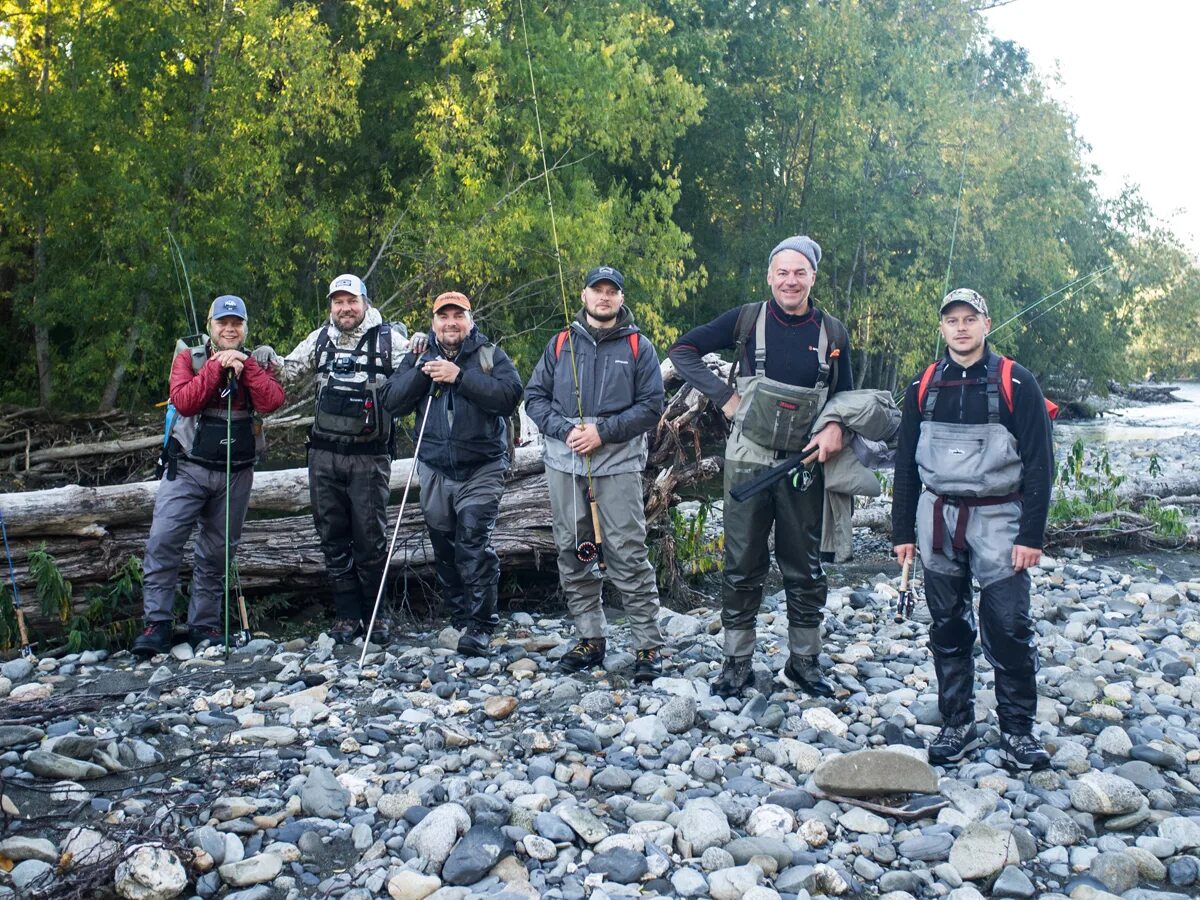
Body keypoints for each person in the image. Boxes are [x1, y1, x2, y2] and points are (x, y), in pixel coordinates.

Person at [668, 236, 852, 699]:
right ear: (770, 276)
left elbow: (846, 399)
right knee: (741, 563)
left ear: (813, 277)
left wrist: (837, 430)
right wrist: (725, 397)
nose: (791, 281)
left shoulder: (834, 333)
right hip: (747, 458)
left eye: (800, 272)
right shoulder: (747, 319)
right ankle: (736, 663)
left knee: (805, 565)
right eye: (783, 272)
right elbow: (682, 351)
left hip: (804, 463)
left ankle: (805, 662)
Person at [892, 288, 1054, 771]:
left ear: (987, 324)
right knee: (947, 627)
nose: (961, 328)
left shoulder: (1016, 383)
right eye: (952, 320)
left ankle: (1019, 732)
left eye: (970, 319)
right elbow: (904, 466)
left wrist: (1032, 536)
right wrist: (902, 533)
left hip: (1000, 520)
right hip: (935, 518)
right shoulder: (922, 385)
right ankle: (956, 723)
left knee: (1007, 627)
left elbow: (1041, 466)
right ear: (941, 328)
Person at [255, 274, 417, 644]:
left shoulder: (389, 338)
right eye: (338, 302)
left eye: (351, 301)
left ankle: (377, 615)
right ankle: (346, 615)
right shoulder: (320, 338)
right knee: (332, 537)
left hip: (370, 458)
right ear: (331, 305)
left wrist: (423, 343)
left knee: (370, 539)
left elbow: (417, 371)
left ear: (365, 302)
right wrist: (265, 357)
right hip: (323, 456)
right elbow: (288, 370)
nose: (345, 309)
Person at [525, 266, 665, 683]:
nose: (604, 297)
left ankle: (648, 645)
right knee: (572, 551)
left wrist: (601, 433)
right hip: (564, 464)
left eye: (611, 291)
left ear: (621, 299)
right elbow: (534, 398)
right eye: (596, 290)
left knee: (628, 551)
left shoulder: (641, 347)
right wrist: (566, 430)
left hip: (618, 462)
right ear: (583, 295)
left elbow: (651, 406)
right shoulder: (559, 344)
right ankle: (590, 638)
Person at [133, 295, 284, 657]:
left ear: (245, 327)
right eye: (222, 323)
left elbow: (273, 401)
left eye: (236, 323)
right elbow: (184, 401)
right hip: (186, 468)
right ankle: (157, 624)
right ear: (210, 326)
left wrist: (246, 369)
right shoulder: (188, 356)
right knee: (163, 541)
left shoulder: (260, 360)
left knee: (217, 553)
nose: (229, 329)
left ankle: (205, 625)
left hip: (235, 472)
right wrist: (217, 368)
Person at [379, 291, 523, 657]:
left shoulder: (490, 354)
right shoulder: (418, 355)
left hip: (483, 466)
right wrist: (424, 373)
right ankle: (459, 617)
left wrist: (459, 377)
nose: (451, 323)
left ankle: (481, 625)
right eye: (443, 317)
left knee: (474, 542)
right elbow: (391, 402)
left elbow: (510, 396)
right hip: (434, 467)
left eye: (457, 316)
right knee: (444, 548)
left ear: (469, 321)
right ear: (434, 323)